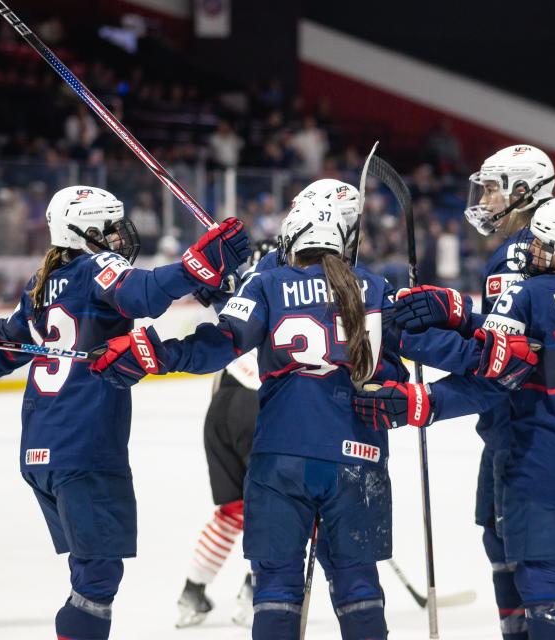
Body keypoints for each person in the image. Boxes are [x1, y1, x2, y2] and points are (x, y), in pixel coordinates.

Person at [0, 186, 250, 640]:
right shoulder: (97, 266)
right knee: (96, 582)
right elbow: (142, 294)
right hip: (86, 449)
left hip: (42, 449)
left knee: (91, 575)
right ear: (87, 231)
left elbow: (3, 342)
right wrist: (198, 263)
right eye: (112, 227)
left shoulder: (43, 283)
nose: (121, 236)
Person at [93, 196, 417, 640]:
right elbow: (416, 360)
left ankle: (198, 589)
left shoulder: (266, 282)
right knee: (358, 589)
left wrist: (159, 354)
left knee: (276, 590)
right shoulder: (375, 286)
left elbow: (221, 343)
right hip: (357, 455)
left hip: (278, 453)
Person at [364, 196, 555, 640]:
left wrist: (420, 386)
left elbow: (491, 373)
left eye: (546, 246)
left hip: (546, 472)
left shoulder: (528, 294)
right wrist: (460, 316)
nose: (531, 251)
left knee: (545, 589)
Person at [401, 143, 555, 639]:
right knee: (507, 543)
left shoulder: (515, 257)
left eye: (494, 188)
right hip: (530, 422)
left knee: (528, 556)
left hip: (521, 425)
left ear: (524, 191)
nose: (485, 199)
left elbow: (502, 358)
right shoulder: (549, 246)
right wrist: (448, 317)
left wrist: (423, 345)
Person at [175, 239, 278, 630]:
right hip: (257, 407)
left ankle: (192, 593)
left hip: (222, 407)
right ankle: (256, 594)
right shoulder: (286, 288)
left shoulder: (238, 293)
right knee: (277, 510)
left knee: (233, 510)